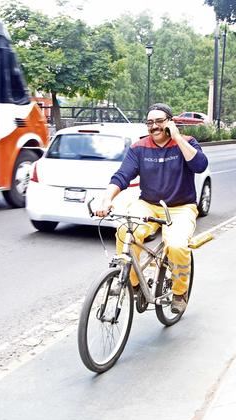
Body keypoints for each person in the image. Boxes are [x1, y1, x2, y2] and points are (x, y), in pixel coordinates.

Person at [95, 103, 209, 314]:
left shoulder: (187, 143)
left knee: (176, 246)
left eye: (159, 121)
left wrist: (177, 137)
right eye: (150, 122)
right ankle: (136, 285)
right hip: (148, 204)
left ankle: (179, 292)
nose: (154, 126)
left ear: (170, 122)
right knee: (124, 232)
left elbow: (200, 166)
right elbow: (122, 176)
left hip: (181, 207)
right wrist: (106, 199)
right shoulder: (139, 148)